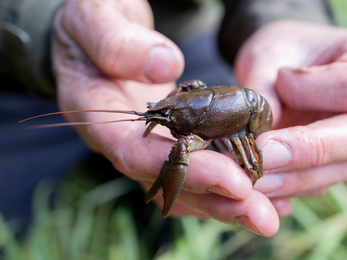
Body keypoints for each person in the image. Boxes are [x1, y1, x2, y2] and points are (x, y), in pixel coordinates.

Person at [1, 0, 346, 237]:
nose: (161, 115)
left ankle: (153, 196)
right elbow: (190, 91)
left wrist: (284, 17)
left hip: (181, 38)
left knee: (236, 220)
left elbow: (190, 96)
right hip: (16, 78)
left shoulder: (202, 128)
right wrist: (45, 18)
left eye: (165, 113)